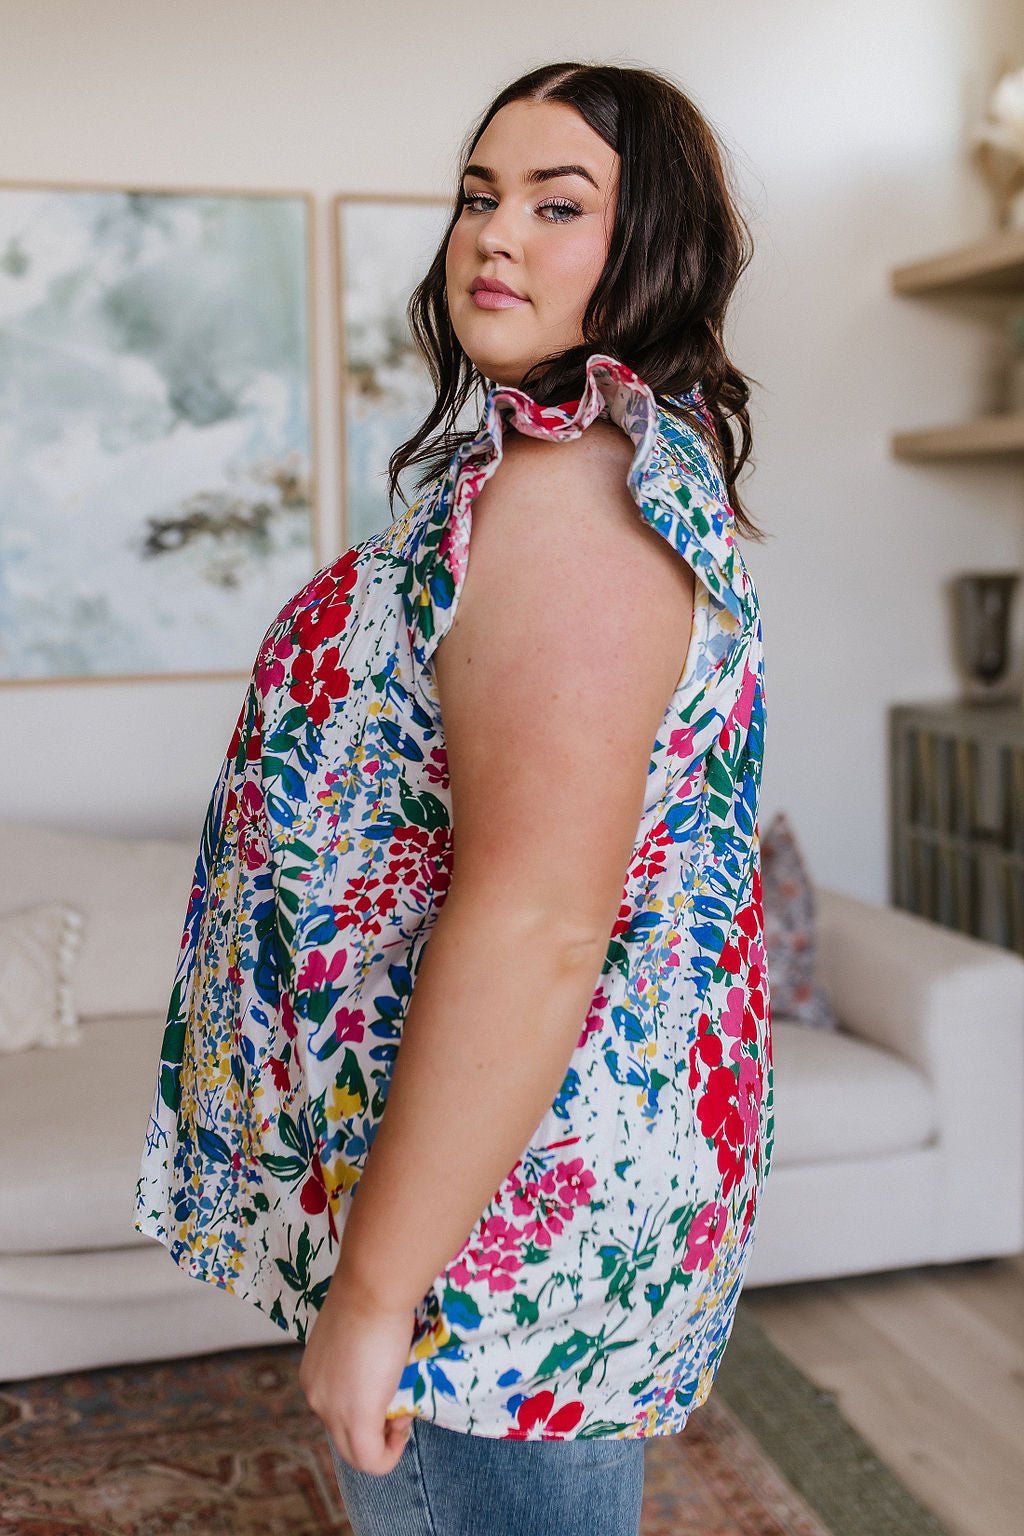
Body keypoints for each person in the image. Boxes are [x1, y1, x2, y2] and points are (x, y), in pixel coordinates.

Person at [133, 58, 773, 1536]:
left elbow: (540, 924)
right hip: (491, 1198)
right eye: (479, 195)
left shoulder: (574, 505)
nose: (492, 232)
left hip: (491, 1241)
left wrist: (376, 1296)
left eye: (558, 203)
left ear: (655, 245)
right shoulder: (582, 470)